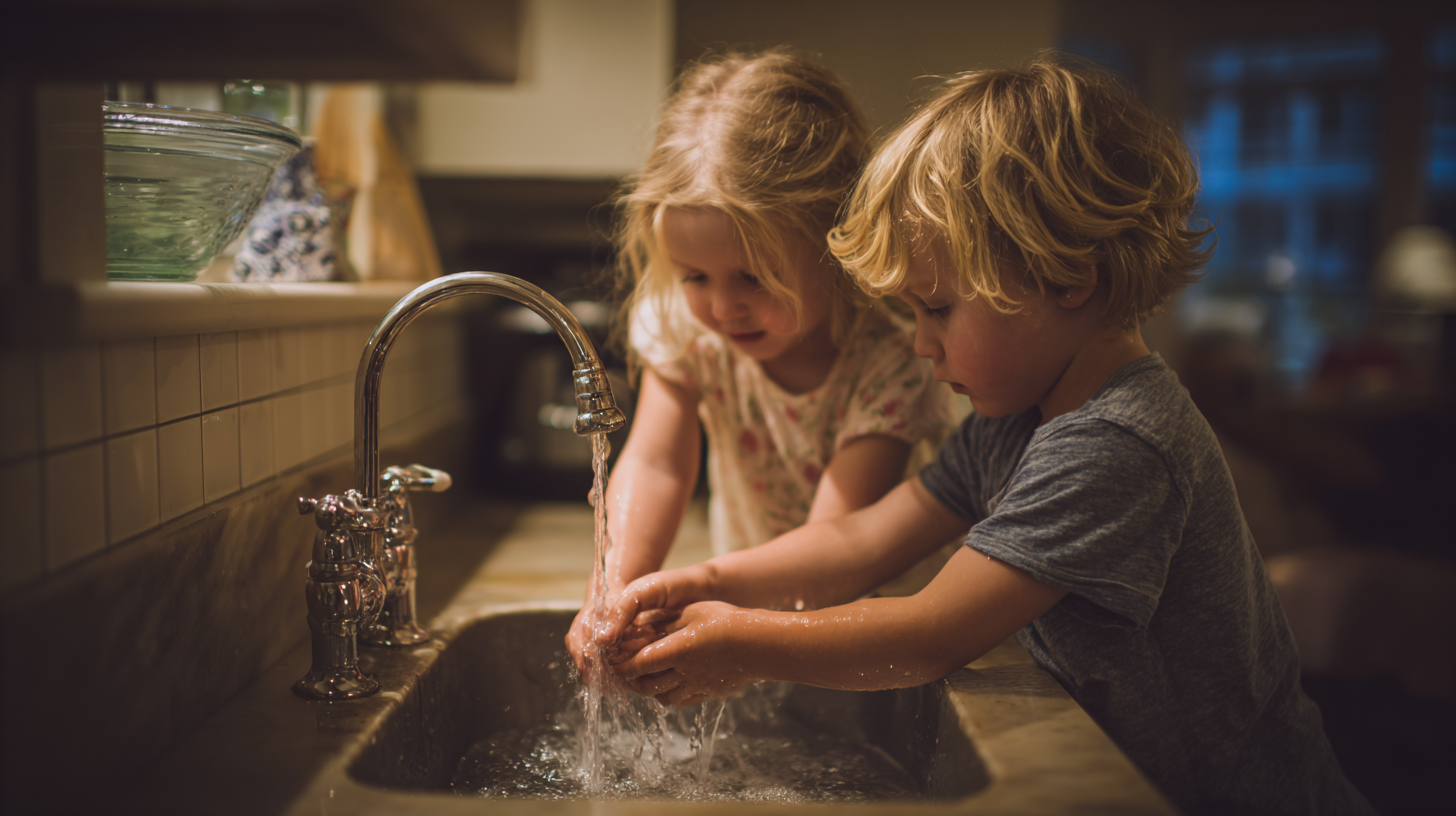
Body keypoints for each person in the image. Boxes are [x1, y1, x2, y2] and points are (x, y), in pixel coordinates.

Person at [598, 56, 1376, 815]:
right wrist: (706, 584)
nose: (917, 342)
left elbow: (931, 633)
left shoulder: (1116, 444)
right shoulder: (1014, 424)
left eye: (936, 308)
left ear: (1070, 275)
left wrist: (743, 643)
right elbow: (859, 544)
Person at [565, 52, 956, 675]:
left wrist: (743, 631)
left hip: (866, 631)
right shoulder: (686, 331)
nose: (723, 308)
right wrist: (612, 588)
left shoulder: (889, 365)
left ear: (836, 242)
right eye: (695, 276)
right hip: (749, 609)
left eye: (754, 277)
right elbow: (658, 462)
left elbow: (838, 549)